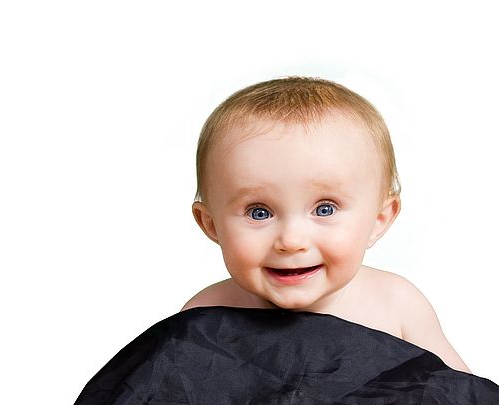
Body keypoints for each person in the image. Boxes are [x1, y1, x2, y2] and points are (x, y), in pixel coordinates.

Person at [182, 76, 471, 374]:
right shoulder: (204, 318)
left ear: (378, 220)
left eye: (324, 209)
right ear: (211, 224)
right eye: (259, 212)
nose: (292, 240)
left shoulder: (397, 306)